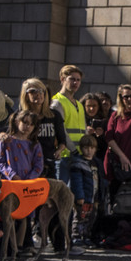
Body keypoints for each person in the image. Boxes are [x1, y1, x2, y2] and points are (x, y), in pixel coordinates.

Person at [50, 65, 87, 194]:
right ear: (62, 79)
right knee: (61, 194)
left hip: (79, 155)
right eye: (72, 79)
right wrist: (73, 150)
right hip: (64, 156)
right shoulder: (56, 102)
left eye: (78, 80)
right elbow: (61, 131)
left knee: (76, 195)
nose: (75, 83)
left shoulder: (80, 105)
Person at [0, 110, 45, 180]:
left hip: (28, 183)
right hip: (9, 182)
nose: (28, 126)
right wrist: (11, 175)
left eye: (32, 124)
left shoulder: (35, 144)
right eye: (25, 122)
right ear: (17, 122)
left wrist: (30, 178)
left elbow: (39, 165)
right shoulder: (6, 140)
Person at [69, 134, 99, 247]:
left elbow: (100, 181)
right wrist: (79, 197)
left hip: (93, 196)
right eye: (86, 148)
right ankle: (76, 237)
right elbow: (76, 182)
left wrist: (99, 197)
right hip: (83, 197)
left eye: (92, 148)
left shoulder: (96, 163)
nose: (89, 151)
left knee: (91, 218)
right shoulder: (78, 164)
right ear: (81, 148)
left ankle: (86, 236)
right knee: (79, 217)